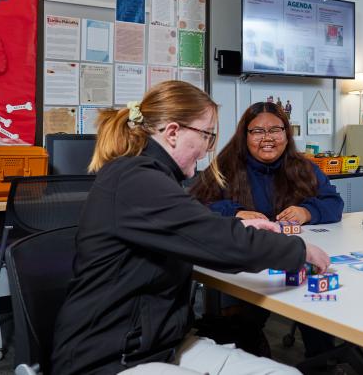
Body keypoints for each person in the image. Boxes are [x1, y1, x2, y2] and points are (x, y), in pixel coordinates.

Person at [51, 81, 330, 375]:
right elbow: (221, 243)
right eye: (207, 136)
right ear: (173, 133)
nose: (208, 149)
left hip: (157, 343)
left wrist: (234, 223)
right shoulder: (136, 180)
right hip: (110, 358)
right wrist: (299, 250)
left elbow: (196, 227)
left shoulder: (148, 176)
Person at [191, 101, 343, 359]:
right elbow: (195, 207)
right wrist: (235, 213)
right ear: (245, 135)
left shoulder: (303, 167)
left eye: (276, 130)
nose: (268, 138)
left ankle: (323, 361)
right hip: (247, 266)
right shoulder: (225, 166)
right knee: (246, 321)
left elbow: (334, 203)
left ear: (286, 133)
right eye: (258, 132)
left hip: (296, 256)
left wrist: (307, 212)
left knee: (315, 297)